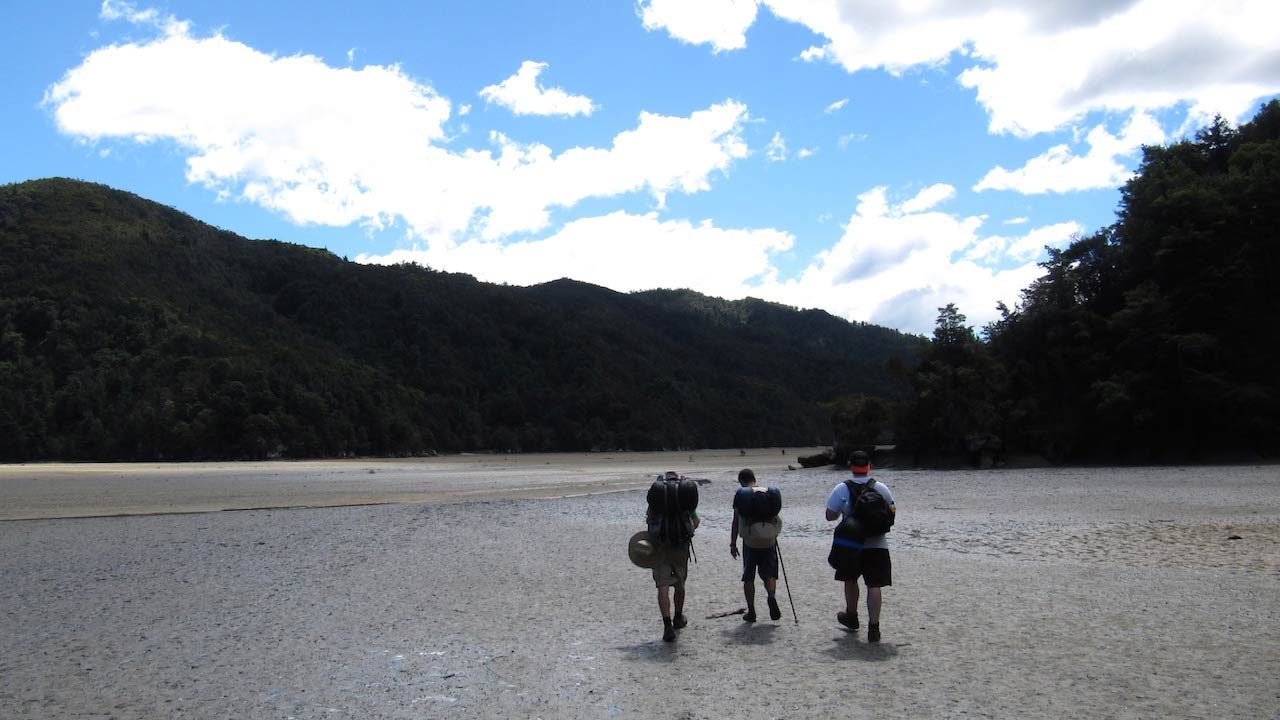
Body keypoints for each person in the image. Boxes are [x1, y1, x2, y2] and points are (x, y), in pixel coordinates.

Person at [825, 450, 895, 642]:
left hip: (852, 545)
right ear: (869, 466)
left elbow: (830, 515)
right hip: (878, 543)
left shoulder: (842, 488)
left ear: (851, 467)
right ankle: (874, 628)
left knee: (850, 580)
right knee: (874, 585)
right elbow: (892, 512)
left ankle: (852, 616)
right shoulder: (881, 488)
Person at [648, 471, 700, 642]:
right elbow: (696, 521)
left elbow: (650, 519)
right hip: (680, 545)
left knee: (662, 586)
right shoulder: (684, 497)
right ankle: (678, 617)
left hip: (660, 546)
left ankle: (667, 625)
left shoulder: (658, 497)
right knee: (680, 583)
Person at [729, 469, 782, 623]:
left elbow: (736, 521)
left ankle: (751, 611)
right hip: (769, 540)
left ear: (741, 481)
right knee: (769, 574)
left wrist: (733, 544)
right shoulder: (768, 494)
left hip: (750, 542)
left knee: (748, 577)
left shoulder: (742, 495)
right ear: (754, 479)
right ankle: (771, 596)